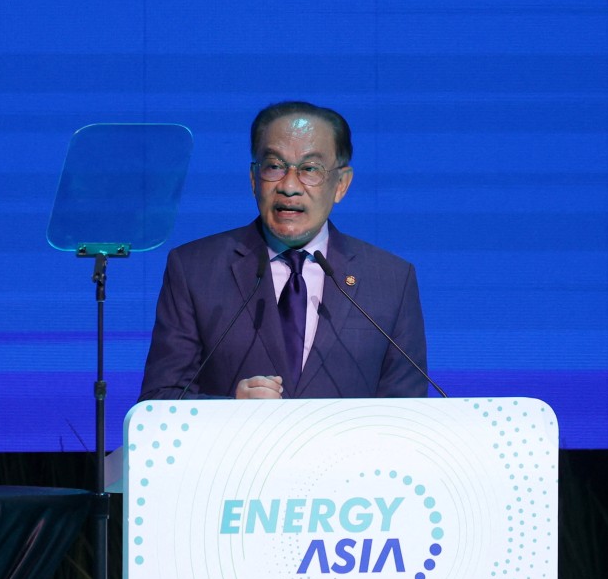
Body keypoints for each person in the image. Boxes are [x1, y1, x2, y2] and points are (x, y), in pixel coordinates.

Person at [138, 101, 429, 400]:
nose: (289, 186)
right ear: (254, 179)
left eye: (310, 169)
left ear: (341, 184)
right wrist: (227, 410)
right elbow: (159, 401)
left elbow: (407, 413)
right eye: (274, 167)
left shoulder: (391, 280)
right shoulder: (195, 269)